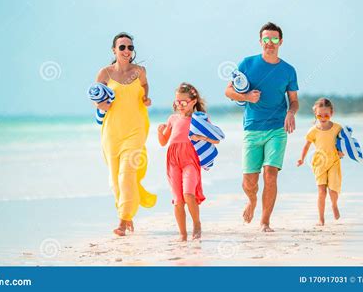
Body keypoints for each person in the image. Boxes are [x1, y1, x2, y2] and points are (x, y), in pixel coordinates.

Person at [225, 22, 299, 232]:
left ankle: (265, 221)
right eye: (266, 39)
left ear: (281, 41)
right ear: (260, 42)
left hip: (277, 128)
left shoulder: (288, 70)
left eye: (274, 39)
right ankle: (252, 201)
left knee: (270, 174)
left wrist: (291, 113)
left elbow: (294, 100)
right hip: (252, 128)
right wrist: (246, 96)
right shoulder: (247, 64)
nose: (270, 43)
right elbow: (228, 91)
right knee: (249, 181)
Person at [94, 32, 156, 236]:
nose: (127, 51)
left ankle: (123, 220)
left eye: (130, 47)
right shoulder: (104, 73)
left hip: (135, 129)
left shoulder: (139, 71)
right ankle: (127, 213)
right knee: (115, 179)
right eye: (122, 47)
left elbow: (145, 87)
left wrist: (146, 97)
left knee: (126, 173)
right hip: (112, 132)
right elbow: (97, 100)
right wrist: (102, 104)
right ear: (114, 50)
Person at [158, 83, 218, 241]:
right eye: (177, 102)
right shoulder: (172, 118)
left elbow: (216, 139)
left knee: (188, 193)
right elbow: (163, 142)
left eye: (183, 102)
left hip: (190, 159)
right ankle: (182, 234)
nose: (180, 105)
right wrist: (159, 132)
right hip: (173, 160)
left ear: (193, 101)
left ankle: (197, 224)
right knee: (178, 200)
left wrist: (202, 138)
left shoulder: (200, 119)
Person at [297, 98, 344, 226]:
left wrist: (342, 152)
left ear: (331, 113)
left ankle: (334, 205)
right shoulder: (313, 130)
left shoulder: (337, 128)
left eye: (326, 115)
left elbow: (344, 144)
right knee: (322, 192)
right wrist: (301, 158)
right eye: (319, 115)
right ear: (315, 114)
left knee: (333, 189)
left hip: (334, 161)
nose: (323, 118)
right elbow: (306, 146)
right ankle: (321, 218)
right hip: (319, 163)